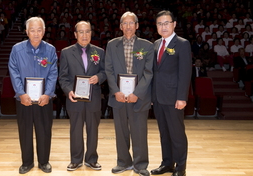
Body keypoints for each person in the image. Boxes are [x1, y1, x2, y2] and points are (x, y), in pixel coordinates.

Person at [105, 11, 154, 176]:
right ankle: (123, 162)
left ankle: (140, 165)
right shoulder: (112, 45)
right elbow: (108, 70)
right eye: (124, 23)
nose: (128, 26)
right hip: (118, 97)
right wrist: (116, 91)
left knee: (139, 131)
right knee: (121, 131)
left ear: (137, 25)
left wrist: (137, 93)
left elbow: (149, 72)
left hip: (139, 97)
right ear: (120, 26)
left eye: (131, 23)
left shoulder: (147, 46)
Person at [8, 17, 58, 174]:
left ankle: (44, 162)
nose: (36, 33)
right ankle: (27, 162)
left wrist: (48, 94)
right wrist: (21, 93)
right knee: (25, 130)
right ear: (26, 32)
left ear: (43, 32)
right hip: (24, 100)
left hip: (44, 99)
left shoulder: (50, 50)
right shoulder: (17, 49)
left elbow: (53, 73)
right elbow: (13, 71)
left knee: (44, 130)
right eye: (32, 30)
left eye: (39, 30)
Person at [58, 21, 106, 172]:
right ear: (75, 34)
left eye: (87, 32)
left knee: (93, 130)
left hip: (94, 98)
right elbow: (63, 77)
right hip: (74, 98)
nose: (84, 35)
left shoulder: (100, 52)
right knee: (76, 130)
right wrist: (68, 91)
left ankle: (91, 159)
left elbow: (105, 72)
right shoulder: (66, 52)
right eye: (81, 32)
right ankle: (76, 160)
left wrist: (99, 77)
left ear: (91, 33)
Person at [151, 10, 192, 176]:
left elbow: (185, 73)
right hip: (158, 97)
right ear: (156, 26)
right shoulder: (155, 44)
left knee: (177, 134)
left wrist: (182, 97)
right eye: (160, 23)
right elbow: (155, 72)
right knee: (164, 133)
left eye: (167, 23)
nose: (163, 26)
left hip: (174, 98)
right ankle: (167, 163)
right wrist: (152, 96)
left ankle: (180, 167)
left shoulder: (182, 44)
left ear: (174, 24)